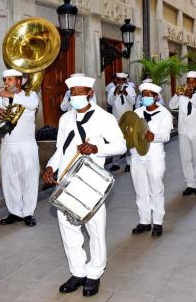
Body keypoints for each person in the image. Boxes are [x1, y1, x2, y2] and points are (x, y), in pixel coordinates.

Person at [43, 75, 126, 297]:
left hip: (91, 180)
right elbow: (61, 149)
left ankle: (94, 273)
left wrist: (96, 148)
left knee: (95, 229)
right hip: (67, 181)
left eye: (80, 92)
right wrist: (51, 167)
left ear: (89, 93)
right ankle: (77, 271)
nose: (76, 97)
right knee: (68, 227)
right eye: (73, 93)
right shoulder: (65, 119)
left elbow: (121, 146)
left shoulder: (104, 118)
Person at [0, 69, 40, 227]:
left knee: (29, 178)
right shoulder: (0, 98)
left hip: (26, 144)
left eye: (9, 80)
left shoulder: (30, 95)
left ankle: (28, 213)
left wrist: (13, 96)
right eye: (5, 80)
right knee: (9, 178)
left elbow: (33, 105)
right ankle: (14, 211)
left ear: (18, 81)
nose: (6, 83)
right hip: (8, 144)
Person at [129, 82, 173, 237]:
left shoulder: (164, 114)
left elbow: (166, 135)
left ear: (156, 97)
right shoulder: (137, 112)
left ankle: (158, 222)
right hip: (137, 155)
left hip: (154, 155)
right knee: (140, 188)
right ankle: (144, 221)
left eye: (149, 95)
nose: (146, 97)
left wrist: (154, 137)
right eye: (143, 94)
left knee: (156, 188)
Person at [168, 71, 196, 196]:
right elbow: (171, 105)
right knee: (186, 159)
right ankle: (190, 184)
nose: (191, 84)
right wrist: (177, 94)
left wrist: (191, 96)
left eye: (193, 81)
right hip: (183, 131)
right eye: (189, 81)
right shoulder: (181, 93)